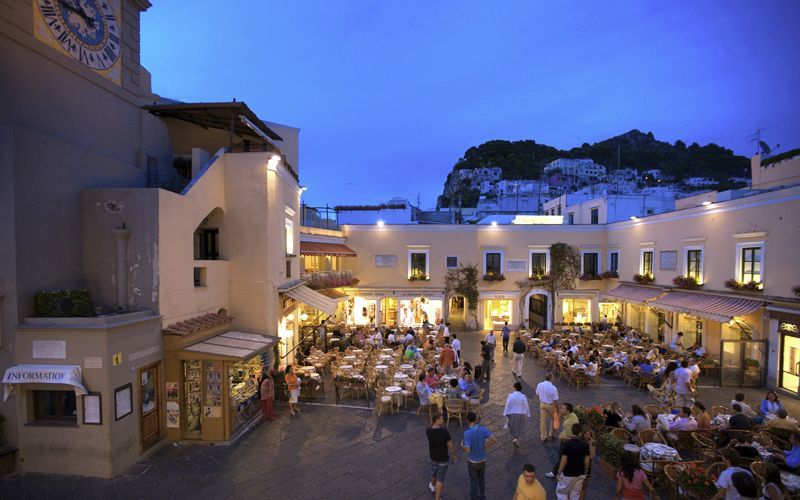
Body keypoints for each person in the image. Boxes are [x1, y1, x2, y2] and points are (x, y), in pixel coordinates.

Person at [462, 411, 496, 500]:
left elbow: (468, 450)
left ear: (467, 421)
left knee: (473, 482)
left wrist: (462, 446)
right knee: (481, 480)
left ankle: (474, 498)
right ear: (476, 419)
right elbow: (494, 439)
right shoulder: (483, 429)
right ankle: (482, 496)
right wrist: (487, 444)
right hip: (482, 460)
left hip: (472, 462)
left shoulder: (467, 433)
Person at [555, 423, 591, 500]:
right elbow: (587, 461)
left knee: (562, 493)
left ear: (572, 431)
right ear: (580, 433)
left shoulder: (567, 444)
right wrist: (585, 472)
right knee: (575, 495)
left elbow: (564, 460)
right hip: (579, 474)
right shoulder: (585, 445)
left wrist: (558, 472)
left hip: (568, 474)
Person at [426, 412, 457, 500]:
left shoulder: (428, 431)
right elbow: (450, 446)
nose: (443, 420)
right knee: (440, 480)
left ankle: (432, 485)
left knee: (434, 472)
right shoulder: (444, 432)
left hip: (433, 457)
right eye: (442, 419)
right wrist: (454, 455)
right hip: (442, 459)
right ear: (437, 420)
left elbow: (430, 426)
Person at [503, 381, 531, 447]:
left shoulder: (510, 395)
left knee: (513, 427)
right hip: (520, 413)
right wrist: (528, 413)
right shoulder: (523, 396)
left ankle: (514, 438)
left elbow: (507, 404)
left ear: (514, 388)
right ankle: (516, 439)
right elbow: (526, 405)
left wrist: (505, 412)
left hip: (512, 413)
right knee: (519, 427)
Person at [535, 373, 560, 442]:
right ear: (551, 378)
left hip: (542, 404)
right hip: (550, 405)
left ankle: (543, 437)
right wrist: (557, 408)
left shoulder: (539, 384)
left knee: (542, 421)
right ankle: (550, 434)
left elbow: (537, 395)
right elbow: (555, 400)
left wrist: (541, 400)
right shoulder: (553, 388)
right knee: (553, 419)